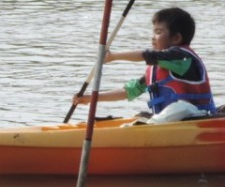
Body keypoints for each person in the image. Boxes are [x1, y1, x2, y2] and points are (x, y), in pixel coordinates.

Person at [72, 6, 217, 118]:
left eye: (158, 32)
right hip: (170, 123)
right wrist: (91, 98)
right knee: (140, 116)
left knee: (158, 114)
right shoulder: (160, 67)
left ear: (176, 38)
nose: (153, 37)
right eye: (154, 32)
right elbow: (129, 91)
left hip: (195, 118)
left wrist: (113, 56)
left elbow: (147, 55)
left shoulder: (182, 58)